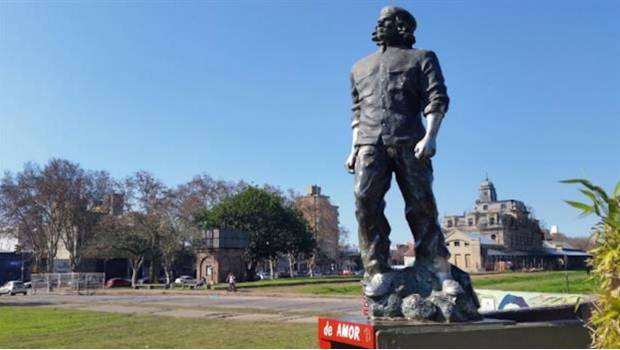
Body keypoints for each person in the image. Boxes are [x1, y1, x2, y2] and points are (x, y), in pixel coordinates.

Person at [346, 6, 461, 297]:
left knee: (421, 204)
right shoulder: (359, 67)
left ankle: (437, 267)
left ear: (403, 27)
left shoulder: (422, 58)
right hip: (370, 144)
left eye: (388, 21)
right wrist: (353, 149)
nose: (381, 25)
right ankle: (377, 269)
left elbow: (437, 98)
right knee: (364, 202)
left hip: (411, 140)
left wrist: (431, 136)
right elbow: (357, 112)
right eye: (380, 20)